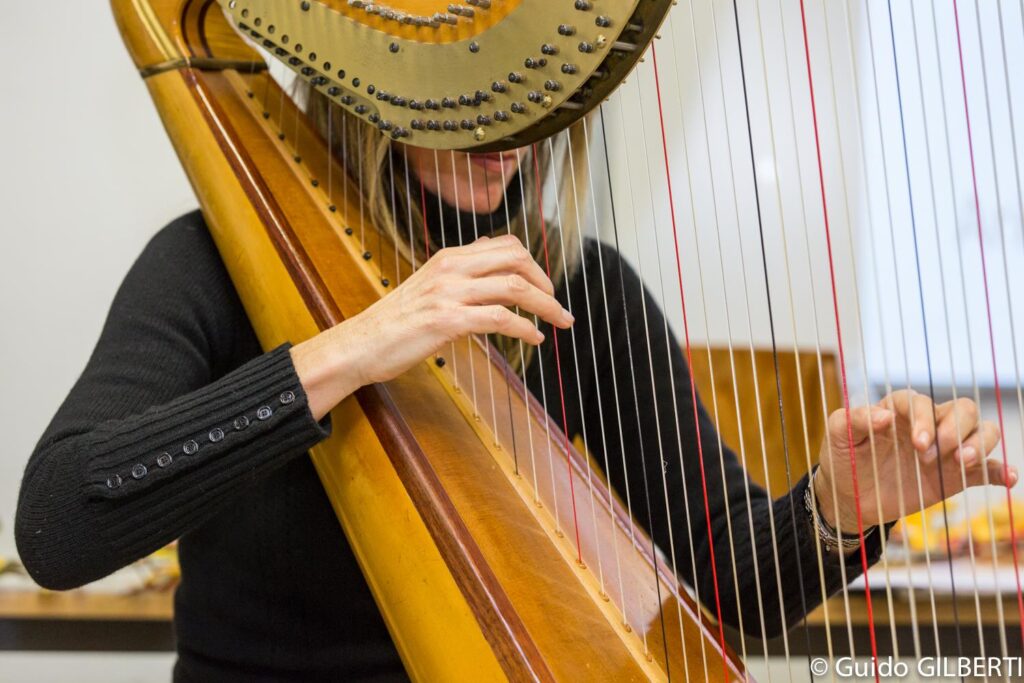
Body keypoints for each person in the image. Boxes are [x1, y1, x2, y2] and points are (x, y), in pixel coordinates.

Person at [16, 92, 1014, 681]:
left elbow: (729, 590)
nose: (512, 136)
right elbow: (60, 522)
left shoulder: (578, 286)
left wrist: (839, 512)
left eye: (535, 105)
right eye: (474, 101)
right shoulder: (211, 261)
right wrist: (354, 348)